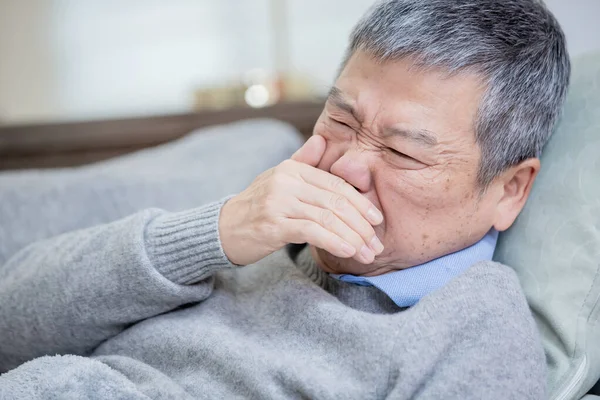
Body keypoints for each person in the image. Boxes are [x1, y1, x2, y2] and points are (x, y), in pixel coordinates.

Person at [0, 0, 570, 398]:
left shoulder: (476, 334)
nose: (344, 166)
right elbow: (9, 328)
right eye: (341, 119)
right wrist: (215, 232)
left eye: (402, 153)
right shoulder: (262, 212)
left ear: (509, 189)